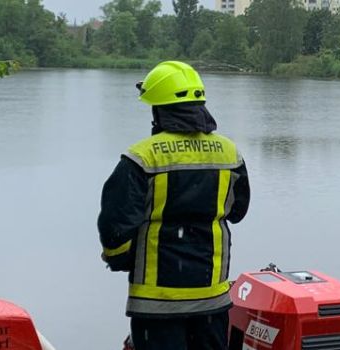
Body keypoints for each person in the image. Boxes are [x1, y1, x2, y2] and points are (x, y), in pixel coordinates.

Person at [98, 61, 250, 350]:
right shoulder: (230, 153)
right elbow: (238, 211)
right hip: (212, 298)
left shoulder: (142, 157)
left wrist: (118, 258)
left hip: (158, 301)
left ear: (159, 109)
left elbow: (115, 227)